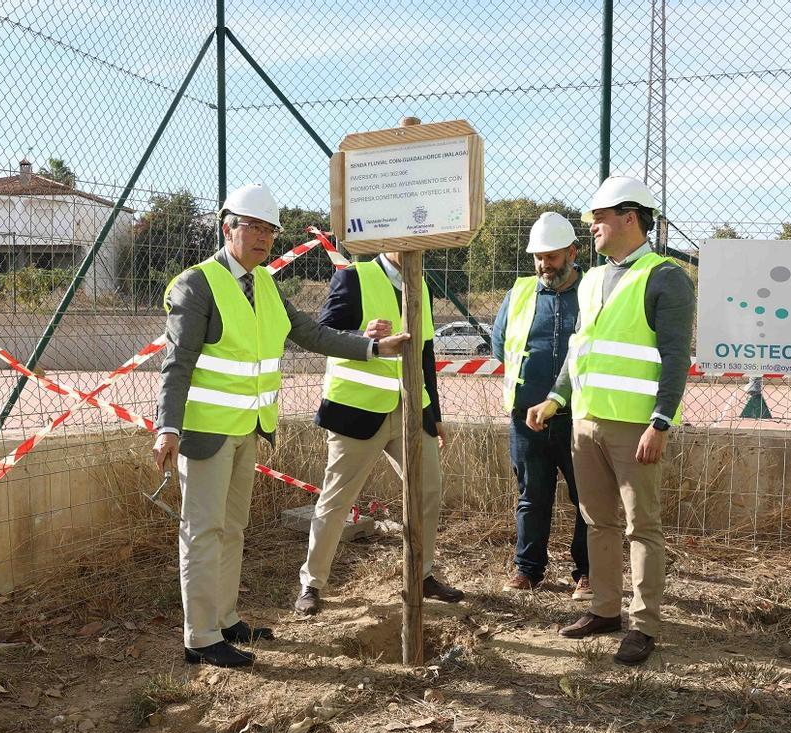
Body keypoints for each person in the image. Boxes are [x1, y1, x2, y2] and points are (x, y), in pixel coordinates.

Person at [153, 183, 408, 668]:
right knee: (203, 531)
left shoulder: (265, 283)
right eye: (255, 227)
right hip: (205, 434)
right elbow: (177, 363)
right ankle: (200, 637)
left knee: (232, 528)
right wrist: (167, 427)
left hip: (249, 428)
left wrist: (374, 348)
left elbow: (311, 334)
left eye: (271, 230)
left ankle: (225, 620)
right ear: (228, 228)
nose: (264, 238)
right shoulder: (196, 284)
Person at [526, 176, 695, 666]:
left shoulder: (666, 278)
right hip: (585, 421)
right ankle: (604, 609)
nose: (593, 225)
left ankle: (644, 625)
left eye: (599, 216)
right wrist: (555, 399)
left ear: (630, 216)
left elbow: (675, 358)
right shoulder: (595, 279)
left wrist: (660, 422)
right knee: (596, 520)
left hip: (635, 427)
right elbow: (580, 351)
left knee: (642, 526)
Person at [293, 250, 463, 615]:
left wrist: (433, 413)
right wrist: (362, 336)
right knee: (337, 499)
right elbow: (324, 334)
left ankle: (422, 573)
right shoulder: (353, 278)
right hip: (357, 410)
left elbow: (425, 351)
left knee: (428, 490)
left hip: (410, 409)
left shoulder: (421, 284)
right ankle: (312, 583)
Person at [491, 212, 590, 598]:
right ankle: (528, 570)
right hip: (527, 417)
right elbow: (501, 345)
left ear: (572, 252)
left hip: (579, 416)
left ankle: (586, 573)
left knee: (587, 499)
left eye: (551, 257)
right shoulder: (519, 293)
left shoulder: (593, 291)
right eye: (538, 258)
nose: (543, 265)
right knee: (532, 497)